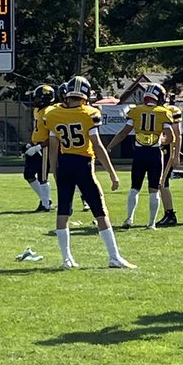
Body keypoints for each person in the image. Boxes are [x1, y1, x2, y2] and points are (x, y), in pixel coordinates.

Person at [48, 76, 136, 269]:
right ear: (85, 95)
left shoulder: (53, 113)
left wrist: (54, 171)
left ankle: (66, 259)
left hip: (64, 164)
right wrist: (112, 173)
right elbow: (97, 146)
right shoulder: (89, 113)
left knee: (64, 209)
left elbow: (53, 148)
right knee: (99, 209)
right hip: (83, 164)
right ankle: (114, 257)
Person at [107, 83, 173, 229]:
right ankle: (151, 223)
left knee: (134, 187)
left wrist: (110, 146)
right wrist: (158, 139)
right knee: (154, 189)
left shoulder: (136, 111)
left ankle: (129, 218)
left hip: (139, 153)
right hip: (155, 153)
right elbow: (170, 137)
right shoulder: (164, 112)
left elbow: (123, 132)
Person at [23, 84, 55, 212]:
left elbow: (53, 135)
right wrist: (31, 143)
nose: (35, 100)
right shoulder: (37, 110)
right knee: (28, 174)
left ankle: (45, 204)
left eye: (37, 98)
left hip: (44, 147)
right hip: (36, 145)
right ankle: (45, 198)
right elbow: (37, 130)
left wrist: (39, 147)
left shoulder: (50, 112)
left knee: (43, 177)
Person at [156, 93, 183, 227]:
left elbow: (177, 135)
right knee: (159, 184)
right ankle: (168, 213)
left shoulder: (172, 111)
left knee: (162, 183)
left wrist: (176, 155)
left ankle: (170, 214)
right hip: (160, 151)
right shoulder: (156, 111)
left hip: (168, 151)